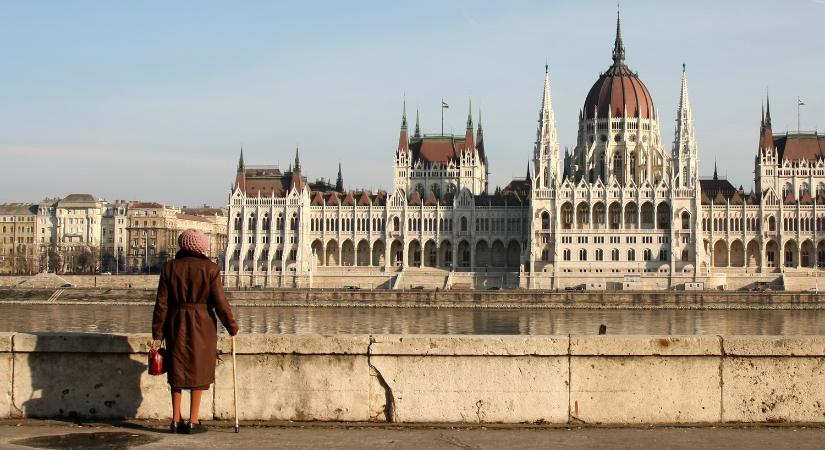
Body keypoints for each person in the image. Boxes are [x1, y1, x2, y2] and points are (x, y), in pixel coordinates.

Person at [152, 229, 239, 434]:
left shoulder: (169, 268)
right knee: (199, 370)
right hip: (203, 324)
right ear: (202, 247)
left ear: (182, 245)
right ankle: (193, 420)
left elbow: (161, 304)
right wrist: (232, 326)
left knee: (176, 370)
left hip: (176, 322)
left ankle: (175, 420)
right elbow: (220, 302)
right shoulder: (210, 268)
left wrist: (157, 333)